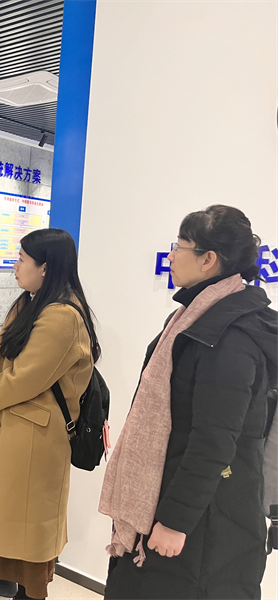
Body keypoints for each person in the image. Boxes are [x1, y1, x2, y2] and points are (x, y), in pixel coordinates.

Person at [102, 205, 276, 600]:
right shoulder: (193, 318)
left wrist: (175, 520)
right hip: (181, 498)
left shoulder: (229, 337)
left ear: (208, 259)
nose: (170, 256)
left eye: (179, 247)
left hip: (207, 520)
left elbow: (214, 441)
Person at [0, 228, 98, 600]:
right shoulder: (32, 302)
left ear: (45, 267)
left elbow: (25, 377)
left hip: (37, 436)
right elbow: (2, 362)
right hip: (15, 426)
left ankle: (30, 590)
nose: (15, 266)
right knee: (5, 510)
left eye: (21, 259)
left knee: (28, 519)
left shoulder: (62, 316)